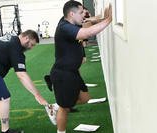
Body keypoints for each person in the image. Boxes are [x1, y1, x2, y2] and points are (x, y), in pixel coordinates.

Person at [47, 1, 112, 133]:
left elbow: (87, 21)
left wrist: (101, 19)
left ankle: (55, 106)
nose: (84, 14)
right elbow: (86, 33)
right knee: (64, 108)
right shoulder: (65, 27)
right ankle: (61, 130)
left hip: (72, 72)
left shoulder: (70, 21)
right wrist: (109, 20)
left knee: (85, 98)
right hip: (63, 73)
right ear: (71, 13)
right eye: (81, 12)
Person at [0, 30, 48, 133]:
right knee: (5, 98)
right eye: (31, 45)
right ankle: (5, 130)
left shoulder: (11, 38)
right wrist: (37, 95)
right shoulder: (16, 48)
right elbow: (21, 75)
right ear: (26, 38)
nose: (31, 48)